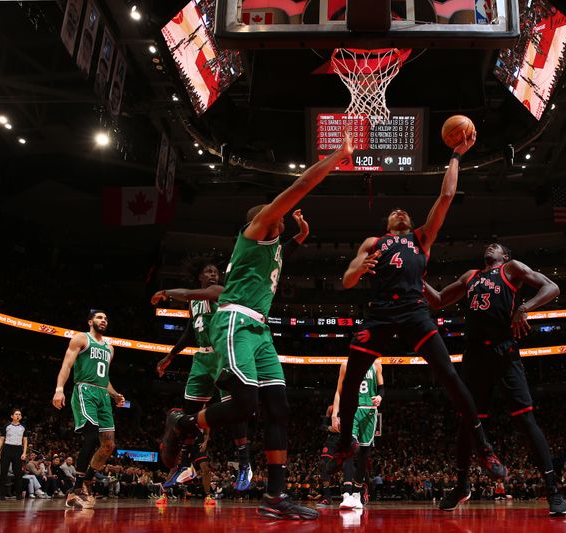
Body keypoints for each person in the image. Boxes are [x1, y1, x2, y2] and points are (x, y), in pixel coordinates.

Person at [160, 133, 354, 520]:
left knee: (278, 408)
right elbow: (299, 187)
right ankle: (182, 422)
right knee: (246, 404)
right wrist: (338, 156)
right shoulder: (254, 232)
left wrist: (301, 234)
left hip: (261, 331)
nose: (281, 217)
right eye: (276, 215)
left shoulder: (272, 248)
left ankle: (275, 498)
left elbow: (290, 244)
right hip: (234, 321)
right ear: (260, 222)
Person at [327, 133, 506, 485]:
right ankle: (345, 440)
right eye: (393, 211)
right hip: (379, 313)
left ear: (407, 223)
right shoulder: (372, 242)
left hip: (414, 312)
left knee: (450, 377)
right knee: (350, 380)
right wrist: (358, 270)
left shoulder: (420, 238)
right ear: (387, 223)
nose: (398, 211)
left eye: (403, 211)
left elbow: (447, 196)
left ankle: (484, 445)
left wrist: (455, 155)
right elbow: (347, 279)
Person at [151, 210, 311, 500]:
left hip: (234, 341)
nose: (213, 273)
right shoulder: (237, 266)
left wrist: (301, 234)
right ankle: (185, 457)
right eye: (208, 272)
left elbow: (284, 250)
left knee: (258, 407)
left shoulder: (229, 282)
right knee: (239, 404)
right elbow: (189, 312)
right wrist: (171, 353)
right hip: (223, 341)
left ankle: (253, 471)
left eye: (215, 270)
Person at [423, 243, 566, 515]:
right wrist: (417, 280)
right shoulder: (471, 276)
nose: (491, 245)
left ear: (505, 256)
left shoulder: (511, 269)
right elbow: (439, 300)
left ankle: (553, 490)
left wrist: (525, 307)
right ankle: (461, 485)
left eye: (498, 245)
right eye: (490, 245)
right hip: (475, 355)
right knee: (467, 422)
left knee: (525, 419)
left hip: (505, 350)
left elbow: (552, 287)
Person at [53, 310, 125, 509]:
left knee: (108, 445)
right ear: (90, 321)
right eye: (100, 317)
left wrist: (115, 394)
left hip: (103, 394)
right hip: (85, 390)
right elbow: (67, 365)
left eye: (106, 318)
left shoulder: (110, 348)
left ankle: (86, 481)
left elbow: (105, 378)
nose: (104, 320)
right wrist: (59, 389)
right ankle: (75, 491)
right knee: (92, 436)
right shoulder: (81, 338)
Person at [327, 359, 384, 510]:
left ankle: (357, 494)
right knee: (350, 449)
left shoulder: (376, 364)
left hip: (370, 412)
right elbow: (339, 391)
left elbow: (381, 388)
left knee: (364, 455)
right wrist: (334, 414)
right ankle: (346, 494)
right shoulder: (346, 365)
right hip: (351, 410)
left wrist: (379, 397)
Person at [0, 408, 28, 499]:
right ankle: (1, 495)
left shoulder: (23, 427)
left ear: (21, 417)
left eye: (19, 414)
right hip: (7, 448)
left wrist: (24, 452)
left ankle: (18, 495)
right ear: (12, 416)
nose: (18, 415)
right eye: (16, 414)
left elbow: (25, 440)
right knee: (3, 472)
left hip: (18, 449)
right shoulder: (6, 426)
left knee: (18, 473)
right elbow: (1, 439)